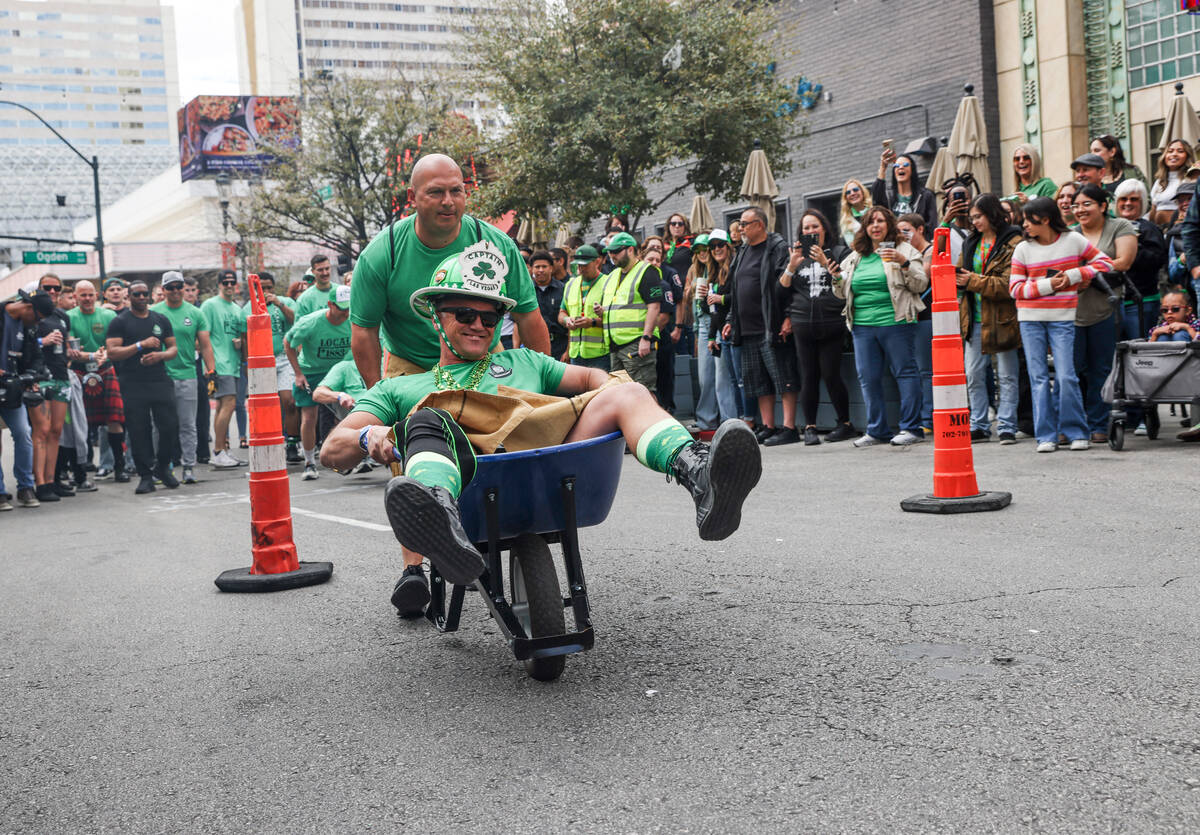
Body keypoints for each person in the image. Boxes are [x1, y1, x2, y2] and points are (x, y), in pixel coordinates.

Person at [320, 244, 762, 616]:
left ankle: (701, 480)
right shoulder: (401, 387)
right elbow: (332, 450)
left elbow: (591, 379)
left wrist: (623, 396)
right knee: (426, 418)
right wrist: (368, 437)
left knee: (625, 389)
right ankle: (440, 520)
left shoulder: (524, 361)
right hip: (469, 494)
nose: (479, 325)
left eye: (490, 317)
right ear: (436, 316)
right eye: (465, 313)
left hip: (555, 479)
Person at [350, 154, 548, 388]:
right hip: (413, 365)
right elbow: (364, 331)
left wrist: (544, 387)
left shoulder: (497, 245)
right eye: (436, 192)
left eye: (456, 191)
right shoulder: (382, 254)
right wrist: (378, 394)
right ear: (412, 197)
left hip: (484, 359)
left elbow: (528, 317)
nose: (448, 201)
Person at [1009, 197, 1112, 452]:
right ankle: (1046, 436)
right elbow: (1014, 289)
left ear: (1045, 219)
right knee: (1039, 379)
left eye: (1028, 220)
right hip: (1030, 320)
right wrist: (1048, 285)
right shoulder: (1022, 249)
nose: (1024, 226)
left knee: (1067, 376)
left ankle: (1076, 431)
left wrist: (1076, 274)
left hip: (1063, 319)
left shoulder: (1073, 241)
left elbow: (1105, 262)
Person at [829, 205, 927, 447]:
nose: (875, 226)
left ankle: (911, 428)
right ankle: (877, 430)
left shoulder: (905, 250)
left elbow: (920, 284)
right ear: (865, 228)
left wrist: (904, 263)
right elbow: (840, 293)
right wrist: (836, 278)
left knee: (905, 373)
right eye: (870, 222)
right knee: (868, 378)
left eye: (880, 221)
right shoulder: (855, 256)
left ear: (889, 225)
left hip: (897, 321)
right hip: (862, 325)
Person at [723, 207, 799, 445]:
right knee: (759, 381)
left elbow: (788, 286)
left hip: (771, 323)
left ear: (760, 225)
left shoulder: (776, 247)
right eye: (739, 224)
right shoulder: (743, 250)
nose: (740, 229)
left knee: (782, 376)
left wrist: (788, 316)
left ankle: (789, 427)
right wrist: (729, 320)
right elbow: (735, 289)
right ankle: (768, 426)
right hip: (746, 327)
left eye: (744, 224)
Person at [779, 209, 855, 444]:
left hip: (832, 323)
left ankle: (845, 423)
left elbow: (847, 280)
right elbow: (781, 290)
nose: (810, 232)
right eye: (806, 228)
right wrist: (791, 265)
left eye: (815, 227)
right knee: (808, 376)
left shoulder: (840, 251)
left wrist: (825, 260)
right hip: (803, 325)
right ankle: (810, 427)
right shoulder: (796, 256)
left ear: (824, 229)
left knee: (831, 374)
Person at [1070, 183, 1137, 444]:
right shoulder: (1070, 233)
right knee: (1072, 371)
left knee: (1101, 369)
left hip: (1106, 309)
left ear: (1102, 206)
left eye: (1087, 204)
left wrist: (1084, 272)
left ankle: (1099, 424)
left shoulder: (1119, 226)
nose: (1080, 209)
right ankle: (1073, 424)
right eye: (1076, 205)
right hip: (1072, 312)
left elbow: (1123, 262)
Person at [956, 195, 1023, 444]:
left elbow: (1008, 285)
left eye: (978, 217)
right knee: (973, 374)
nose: (974, 222)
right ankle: (979, 424)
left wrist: (970, 281)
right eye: (971, 218)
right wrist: (957, 278)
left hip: (1004, 317)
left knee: (1007, 375)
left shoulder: (1014, 242)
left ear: (991, 214)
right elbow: (961, 272)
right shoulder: (970, 241)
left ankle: (1007, 425)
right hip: (973, 316)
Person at [104, 280, 179, 494]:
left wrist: (160, 355)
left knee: (170, 426)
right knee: (139, 430)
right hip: (132, 381)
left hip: (159, 379)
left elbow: (173, 347)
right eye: (137, 294)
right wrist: (140, 346)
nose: (142, 298)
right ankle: (146, 475)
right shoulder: (120, 322)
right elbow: (112, 352)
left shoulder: (160, 319)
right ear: (129, 297)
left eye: (144, 294)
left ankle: (163, 468)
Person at [152, 271, 215, 485]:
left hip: (188, 374)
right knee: (161, 425)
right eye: (170, 287)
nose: (176, 290)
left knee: (188, 424)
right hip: (160, 376)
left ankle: (189, 466)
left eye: (179, 286)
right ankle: (163, 466)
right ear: (163, 290)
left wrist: (211, 371)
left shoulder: (195, 313)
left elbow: (206, 345)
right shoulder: (154, 312)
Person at [284, 284, 352, 480]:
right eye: (342, 308)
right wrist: (298, 374)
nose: (346, 312)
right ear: (330, 304)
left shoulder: (353, 319)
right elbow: (289, 343)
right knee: (309, 416)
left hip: (337, 370)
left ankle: (346, 458)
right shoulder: (311, 322)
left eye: (349, 307)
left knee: (347, 413)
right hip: (312, 371)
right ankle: (309, 462)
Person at [66, 280, 126, 483]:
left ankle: (120, 467)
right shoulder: (69, 317)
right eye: (82, 295)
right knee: (77, 423)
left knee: (114, 419)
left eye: (90, 294)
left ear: (97, 295)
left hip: (106, 368)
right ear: (75, 297)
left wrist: (105, 354)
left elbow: (117, 344)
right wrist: (93, 355)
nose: (87, 299)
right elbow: (71, 350)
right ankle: (79, 471)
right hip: (79, 372)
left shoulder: (109, 315)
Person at [1, 290, 49, 508]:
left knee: (23, 433)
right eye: (38, 317)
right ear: (28, 307)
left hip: (14, 387)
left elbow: (37, 357)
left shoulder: (29, 327)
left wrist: (32, 376)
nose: (37, 323)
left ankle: (25, 487)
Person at [597, 231, 663, 391]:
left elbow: (654, 307)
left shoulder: (647, 271)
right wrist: (602, 311)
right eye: (610, 252)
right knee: (620, 393)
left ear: (631, 250)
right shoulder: (612, 275)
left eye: (616, 251)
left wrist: (646, 338)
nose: (612, 255)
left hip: (636, 344)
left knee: (643, 390)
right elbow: (620, 307)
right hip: (615, 346)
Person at [248, 272, 301, 463]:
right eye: (262, 288)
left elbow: (298, 321)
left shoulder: (285, 301)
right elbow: (246, 337)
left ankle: (293, 443)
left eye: (269, 287)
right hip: (263, 362)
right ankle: (269, 442)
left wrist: (279, 304)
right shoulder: (248, 307)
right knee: (267, 406)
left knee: (289, 401)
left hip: (285, 358)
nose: (266, 291)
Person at [28, 278, 72, 501]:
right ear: (39, 291)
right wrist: (42, 341)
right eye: (48, 288)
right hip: (40, 377)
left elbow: (68, 346)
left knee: (56, 431)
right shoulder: (32, 316)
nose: (53, 291)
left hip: (61, 377)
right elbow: (21, 345)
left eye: (57, 288)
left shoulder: (63, 316)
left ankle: (51, 479)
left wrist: (77, 353)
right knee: (41, 431)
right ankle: (40, 483)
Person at [199, 271, 248, 468]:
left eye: (232, 282)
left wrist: (239, 344)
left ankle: (224, 450)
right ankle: (219, 451)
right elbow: (204, 337)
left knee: (223, 406)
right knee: (228, 405)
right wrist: (209, 366)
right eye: (225, 282)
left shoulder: (237, 308)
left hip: (234, 363)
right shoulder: (210, 305)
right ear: (219, 284)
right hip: (219, 363)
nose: (229, 285)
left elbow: (241, 336)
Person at [1114, 180, 1168, 343]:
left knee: (1140, 350)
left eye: (1134, 199)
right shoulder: (1111, 227)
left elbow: (1157, 260)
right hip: (1115, 302)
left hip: (1141, 301)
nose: (1128, 203)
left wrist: (1133, 246)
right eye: (1123, 199)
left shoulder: (1150, 229)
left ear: (1142, 202)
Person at [898, 213, 936, 432]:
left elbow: (923, 276)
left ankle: (927, 419)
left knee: (925, 370)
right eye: (899, 231)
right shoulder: (905, 253)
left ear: (920, 229)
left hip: (926, 316)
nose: (903, 235)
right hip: (908, 316)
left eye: (906, 230)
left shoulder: (929, 252)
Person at [705, 230, 747, 424]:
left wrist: (720, 298)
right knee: (731, 380)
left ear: (728, 246)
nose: (716, 249)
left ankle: (748, 420)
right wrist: (711, 336)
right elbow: (713, 310)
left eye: (720, 245)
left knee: (740, 380)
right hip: (721, 332)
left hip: (736, 329)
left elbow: (740, 297)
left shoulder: (735, 267)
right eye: (712, 247)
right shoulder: (713, 273)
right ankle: (738, 421)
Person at [681, 234, 720, 431]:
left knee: (721, 376)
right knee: (705, 375)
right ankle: (707, 419)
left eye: (705, 248)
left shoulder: (718, 267)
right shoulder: (694, 269)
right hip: (702, 324)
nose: (702, 253)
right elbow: (688, 298)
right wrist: (691, 290)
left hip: (717, 321)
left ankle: (723, 418)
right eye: (697, 250)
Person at [642, 247, 682, 412]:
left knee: (663, 381)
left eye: (658, 260)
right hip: (640, 341)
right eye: (650, 259)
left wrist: (646, 332)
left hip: (659, 340)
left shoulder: (663, 285)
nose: (654, 263)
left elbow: (664, 317)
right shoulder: (636, 282)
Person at [558, 244, 610, 370]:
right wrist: (567, 320)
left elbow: (616, 319)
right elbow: (561, 313)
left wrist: (591, 322)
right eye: (579, 265)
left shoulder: (608, 283)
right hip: (576, 353)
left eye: (585, 265)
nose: (581, 269)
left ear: (597, 262)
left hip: (601, 354)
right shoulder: (571, 284)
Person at [872, 150, 938, 234]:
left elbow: (931, 225)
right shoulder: (888, 196)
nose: (901, 167)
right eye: (896, 165)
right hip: (894, 243)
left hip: (917, 244)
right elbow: (876, 203)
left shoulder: (925, 196)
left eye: (905, 165)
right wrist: (882, 168)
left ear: (912, 170)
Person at [528, 250, 567, 361]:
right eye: (537, 267)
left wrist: (568, 352)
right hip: (534, 347)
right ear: (531, 269)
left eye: (544, 266)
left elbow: (569, 321)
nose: (541, 270)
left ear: (551, 268)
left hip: (560, 346)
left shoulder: (563, 289)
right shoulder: (526, 291)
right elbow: (518, 323)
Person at [1149, 139, 1195, 228]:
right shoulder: (1159, 181)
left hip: (1179, 232)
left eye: (1180, 151)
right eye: (1170, 151)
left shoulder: (1191, 179)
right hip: (1160, 232)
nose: (1174, 154)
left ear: (1187, 156)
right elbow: (1153, 209)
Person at [839, 179, 873, 246]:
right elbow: (852, 245)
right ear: (846, 198)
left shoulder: (874, 210)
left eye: (855, 189)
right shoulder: (846, 220)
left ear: (862, 192)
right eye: (848, 192)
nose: (852, 193)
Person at [664, 212, 693, 278]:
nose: (677, 226)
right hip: (667, 285)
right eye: (673, 224)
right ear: (668, 226)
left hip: (685, 285)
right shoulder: (663, 245)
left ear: (685, 227)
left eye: (680, 224)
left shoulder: (691, 242)